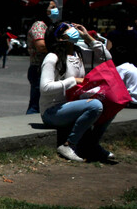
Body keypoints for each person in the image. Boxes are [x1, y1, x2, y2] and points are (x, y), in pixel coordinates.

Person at [39, 22, 115, 162]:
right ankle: (69, 145)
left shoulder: (79, 52)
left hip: (72, 105)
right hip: (52, 112)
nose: (73, 29)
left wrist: (88, 38)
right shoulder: (52, 57)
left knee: (111, 103)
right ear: (60, 37)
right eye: (67, 27)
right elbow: (45, 87)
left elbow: (107, 58)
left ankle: (92, 145)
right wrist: (73, 80)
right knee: (95, 105)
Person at [26, 0, 59, 114]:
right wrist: (59, 48)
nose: (56, 9)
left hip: (46, 68)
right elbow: (41, 46)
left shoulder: (48, 25)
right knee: (36, 104)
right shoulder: (39, 25)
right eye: (52, 7)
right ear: (44, 10)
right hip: (39, 68)